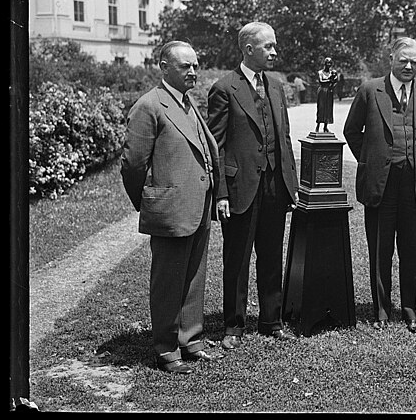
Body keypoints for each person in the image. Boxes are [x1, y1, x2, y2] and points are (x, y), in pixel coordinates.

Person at [120, 40, 221, 374]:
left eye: (195, 65)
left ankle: (190, 340)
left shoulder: (188, 102)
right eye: (184, 66)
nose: (193, 71)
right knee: (168, 282)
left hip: (197, 206)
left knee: (194, 277)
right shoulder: (149, 106)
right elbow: (133, 164)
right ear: (164, 68)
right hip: (170, 210)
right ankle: (166, 349)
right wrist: (150, 201)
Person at [207, 22, 300, 346]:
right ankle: (233, 326)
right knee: (237, 258)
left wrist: (291, 184)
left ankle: (271, 321)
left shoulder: (275, 86)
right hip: (240, 189)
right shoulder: (224, 88)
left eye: (274, 46)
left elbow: (283, 138)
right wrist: (220, 194)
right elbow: (214, 145)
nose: (275, 52)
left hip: (275, 186)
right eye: (268, 47)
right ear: (248, 49)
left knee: (272, 254)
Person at [343, 37, 416, 334]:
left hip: (414, 183)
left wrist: (415, 157)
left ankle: (410, 310)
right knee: (380, 248)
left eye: (414, 61)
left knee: (410, 248)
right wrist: (374, 160)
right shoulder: (370, 90)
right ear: (391, 59)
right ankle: (382, 310)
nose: (409, 66)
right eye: (403, 61)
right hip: (381, 184)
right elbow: (352, 131)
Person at [315, 57, 338, 132]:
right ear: (324, 63)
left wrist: (333, 81)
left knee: (328, 109)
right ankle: (318, 125)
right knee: (321, 108)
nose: (329, 64)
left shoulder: (332, 73)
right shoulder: (320, 72)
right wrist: (330, 80)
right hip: (322, 91)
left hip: (329, 91)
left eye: (330, 63)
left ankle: (325, 126)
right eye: (327, 63)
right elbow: (321, 81)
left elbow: (335, 81)